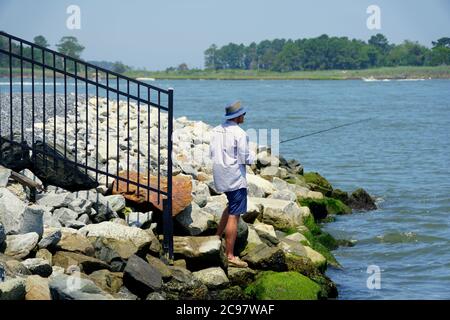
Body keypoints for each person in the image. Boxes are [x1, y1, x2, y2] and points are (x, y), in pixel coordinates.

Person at [209, 101, 255, 268]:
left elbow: (211, 152)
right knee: (235, 215)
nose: (245, 116)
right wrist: (254, 158)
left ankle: (216, 236)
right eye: (244, 114)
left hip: (220, 175)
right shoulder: (240, 133)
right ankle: (230, 255)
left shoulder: (215, 130)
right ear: (238, 116)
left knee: (231, 206)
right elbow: (244, 158)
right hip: (235, 177)